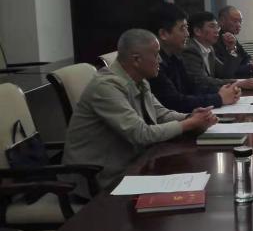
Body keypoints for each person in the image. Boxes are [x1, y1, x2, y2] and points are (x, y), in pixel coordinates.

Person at [63, 29, 218, 195]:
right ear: (136, 60)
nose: (160, 60)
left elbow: (161, 114)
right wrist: (189, 124)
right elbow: (141, 134)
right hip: (98, 179)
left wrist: (191, 117)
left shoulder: (140, 80)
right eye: (156, 55)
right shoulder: (106, 87)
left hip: (132, 165)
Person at [147, 3, 241, 113]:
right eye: (182, 29)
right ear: (163, 34)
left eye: (187, 28)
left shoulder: (175, 57)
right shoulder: (153, 63)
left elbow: (194, 88)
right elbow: (175, 102)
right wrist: (219, 98)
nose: (187, 34)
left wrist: (228, 90)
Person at [182, 11, 253, 92]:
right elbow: (202, 82)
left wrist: (231, 49)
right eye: (212, 26)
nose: (217, 31)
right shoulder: (190, 50)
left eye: (217, 27)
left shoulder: (209, 49)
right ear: (197, 31)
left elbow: (225, 73)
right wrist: (238, 84)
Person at [213, 5, 253, 78]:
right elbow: (227, 71)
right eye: (235, 21)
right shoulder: (215, 40)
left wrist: (250, 64)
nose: (238, 25)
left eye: (240, 21)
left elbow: (246, 57)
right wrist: (251, 67)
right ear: (222, 21)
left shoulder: (231, 36)